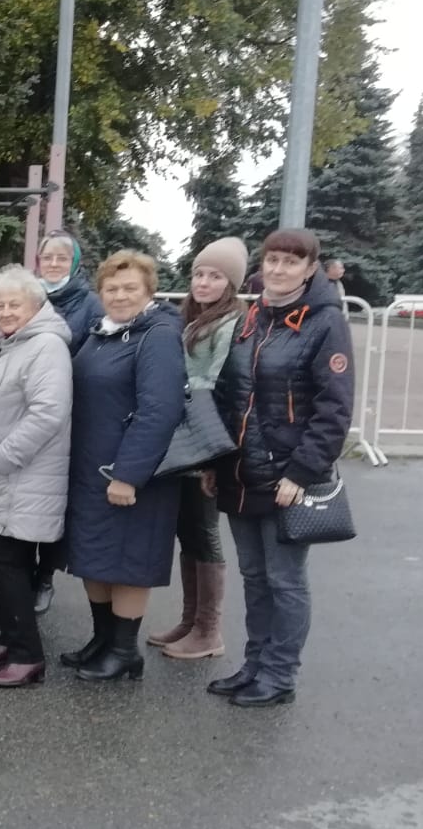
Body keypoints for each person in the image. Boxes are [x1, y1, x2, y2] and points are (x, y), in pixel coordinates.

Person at [206, 228, 353, 706]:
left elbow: (334, 409)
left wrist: (302, 473)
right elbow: (232, 395)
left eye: (291, 262)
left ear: (310, 268)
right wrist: (215, 460)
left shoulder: (324, 322)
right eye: (272, 260)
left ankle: (280, 675)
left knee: (285, 580)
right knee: (254, 576)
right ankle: (255, 666)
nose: (278, 269)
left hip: (288, 478)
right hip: (242, 472)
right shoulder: (252, 316)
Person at [61, 250, 187, 682]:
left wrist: (129, 474)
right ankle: (102, 640)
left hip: (132, 475)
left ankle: (124, 650)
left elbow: (161, 409)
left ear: (149, 291)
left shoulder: (158, 335)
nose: (120, 295)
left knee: (129, 561)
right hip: (89, 469)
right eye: (111, 288)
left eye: (130, 287)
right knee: (93, 556)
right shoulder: (103, 333)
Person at [0, 266, 73, 687]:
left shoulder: (44, 346)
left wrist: (3, 457)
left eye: (15, 304)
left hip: (20, 476)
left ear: (37, 305)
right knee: (9, 560)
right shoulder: (9, 344)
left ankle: (28, 655)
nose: (5, 312)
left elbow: (49, 412)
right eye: (0, 304)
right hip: (4, 475)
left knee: (8, 562)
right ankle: (12, 639)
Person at [147, 237, 247, 661]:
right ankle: (190, 621)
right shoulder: (195, 318)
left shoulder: (230, 324)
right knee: (188, 531)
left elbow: (221, 383)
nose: (204, 282)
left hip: (204, 441)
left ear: (231, 283)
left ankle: (209, 631)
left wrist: (213, 460)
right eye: (198, 274)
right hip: (184, 438)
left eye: (215, 276)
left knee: (204, 533)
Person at [30, 230, 103, 615]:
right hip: (25, 409)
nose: (54, 263)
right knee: (28, 496)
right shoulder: (29, 296)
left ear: (74, 262)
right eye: (48, 257)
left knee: (56, 499)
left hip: (70, 412)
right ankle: (25, 573)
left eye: (62, 257)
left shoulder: (90, 303)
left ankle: (45, 576)